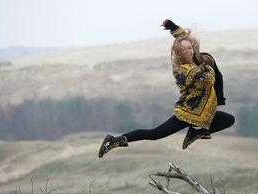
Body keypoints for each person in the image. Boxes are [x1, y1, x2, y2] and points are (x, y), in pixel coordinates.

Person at [98, 19, 235, 158]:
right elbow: (207, 80)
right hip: (188, 113)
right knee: (155, 134)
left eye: (191, 48)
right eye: (186, 49)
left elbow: (187, 40)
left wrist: (174, 29)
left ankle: (196, 133)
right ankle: (114, 141)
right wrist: (207, 64)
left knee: (228, 120)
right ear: (179, 53)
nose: (190, 50)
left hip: (204, 112)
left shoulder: (194, 61)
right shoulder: (183, 70)